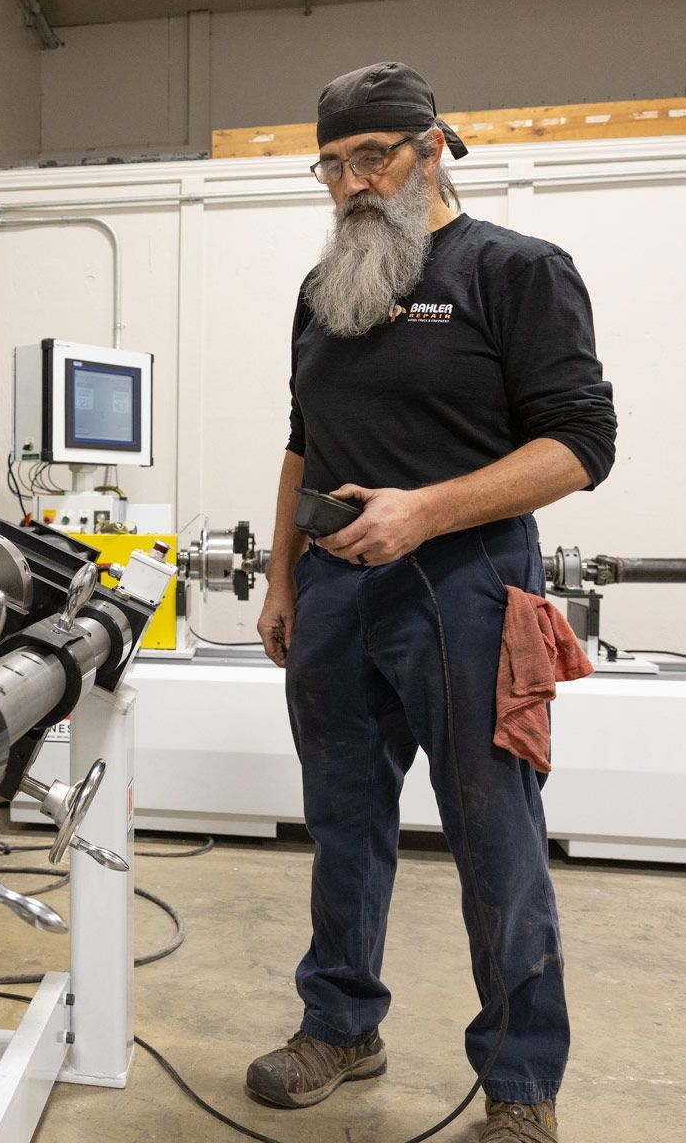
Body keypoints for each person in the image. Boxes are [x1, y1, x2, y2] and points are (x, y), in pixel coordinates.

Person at [245, 62, 617, 1143]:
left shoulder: (517, 270)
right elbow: (302, 442)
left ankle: (520, 1087)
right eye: (334, 164)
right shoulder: (326, 293)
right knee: (343, 824)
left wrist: (424, 513)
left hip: (470, 587)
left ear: (435, 147)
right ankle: (342, 1025)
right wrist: (281, 579)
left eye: (376, 157)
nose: (355, 182)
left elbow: (579, 449)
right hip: (335, 593)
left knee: (495, 835)